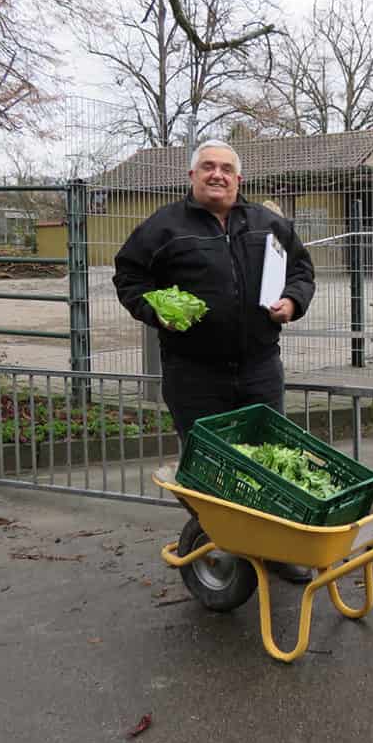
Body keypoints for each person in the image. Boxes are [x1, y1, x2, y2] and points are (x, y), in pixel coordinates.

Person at [113, 139, 316, 580]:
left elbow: (301, 270)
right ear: (192, 176)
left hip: (260, 367)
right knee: (209, 467)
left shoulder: (268, 224)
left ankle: (276, 548)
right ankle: (220, 546)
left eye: (226, 168)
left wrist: (292, 302)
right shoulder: (164, 227)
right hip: (193, 374)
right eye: (208, 167)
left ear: (239, 179)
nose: (217, 175)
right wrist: (156, 313)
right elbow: (128, 275)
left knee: (269, 461)